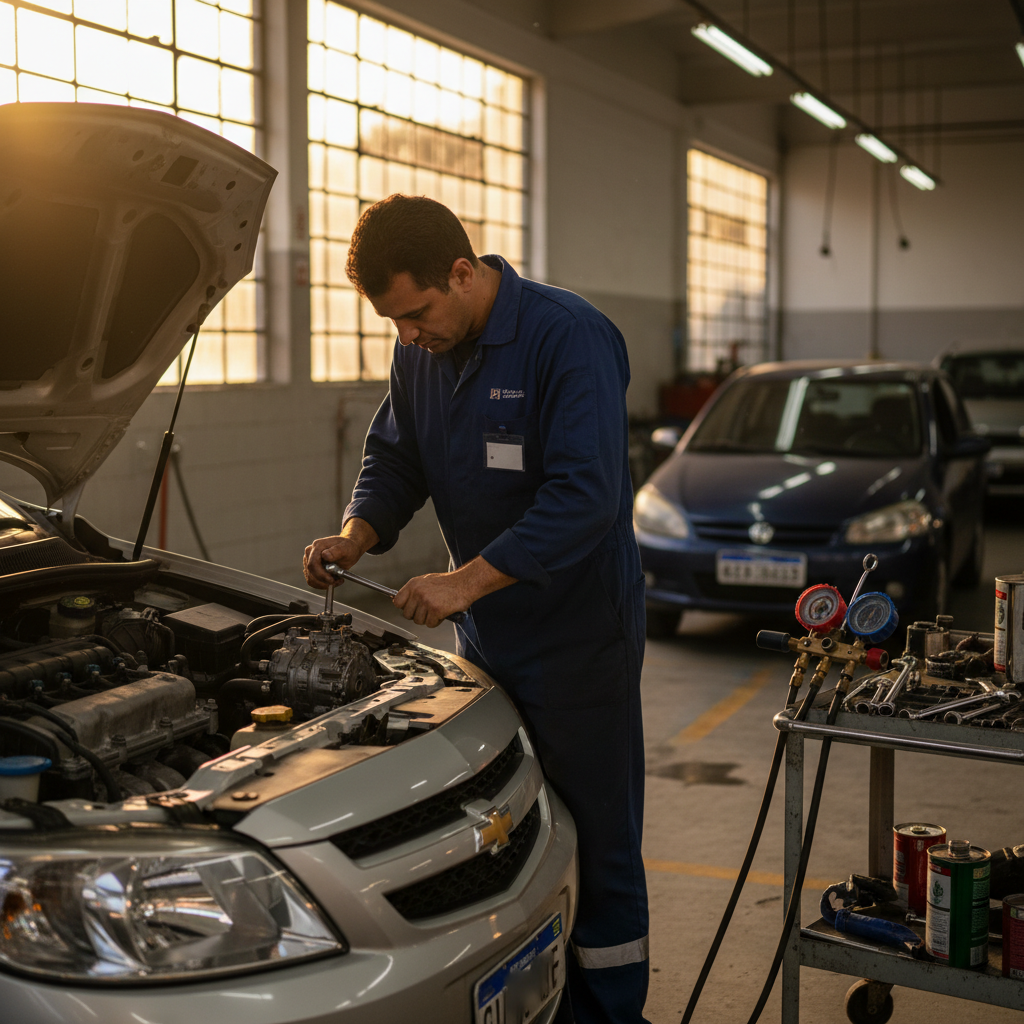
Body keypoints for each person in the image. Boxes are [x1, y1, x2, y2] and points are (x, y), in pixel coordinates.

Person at [303, 194, 650, 1024]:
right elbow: (397, 455)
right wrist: (359, 533)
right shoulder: (422, 351)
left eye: (417, 313)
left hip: (577, 636)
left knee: (598, 840)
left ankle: (610, 1012)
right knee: (505, 824)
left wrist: (462, 582)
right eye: (393, 321)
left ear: (462, 272)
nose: (407, 336)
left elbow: (585, 496)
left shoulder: (569, 337)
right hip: (488, 637)